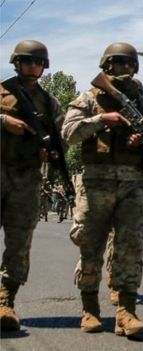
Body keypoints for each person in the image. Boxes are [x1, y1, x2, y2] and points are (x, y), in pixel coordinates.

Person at [62, 42, 143, 336]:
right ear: (106, 66)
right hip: (96, 182)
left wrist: (141, 141)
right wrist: (100, 120)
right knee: (90, 245)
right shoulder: (89, 98)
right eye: (119, 63)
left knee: (131, 245)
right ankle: (90, 309)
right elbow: (68, 133)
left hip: (133, 184)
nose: (126, 68)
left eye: (131, 64)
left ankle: (126, 312)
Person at [0, 39, 63, 331]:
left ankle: (5, 300)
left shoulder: (49, 103)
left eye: (38, 63)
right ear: (17, 63)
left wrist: (48, 152)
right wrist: (3, 121)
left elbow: (61, 137)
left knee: (20, 241)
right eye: (28, 62)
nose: (33, 67)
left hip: (27, 178)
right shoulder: (1, 91)